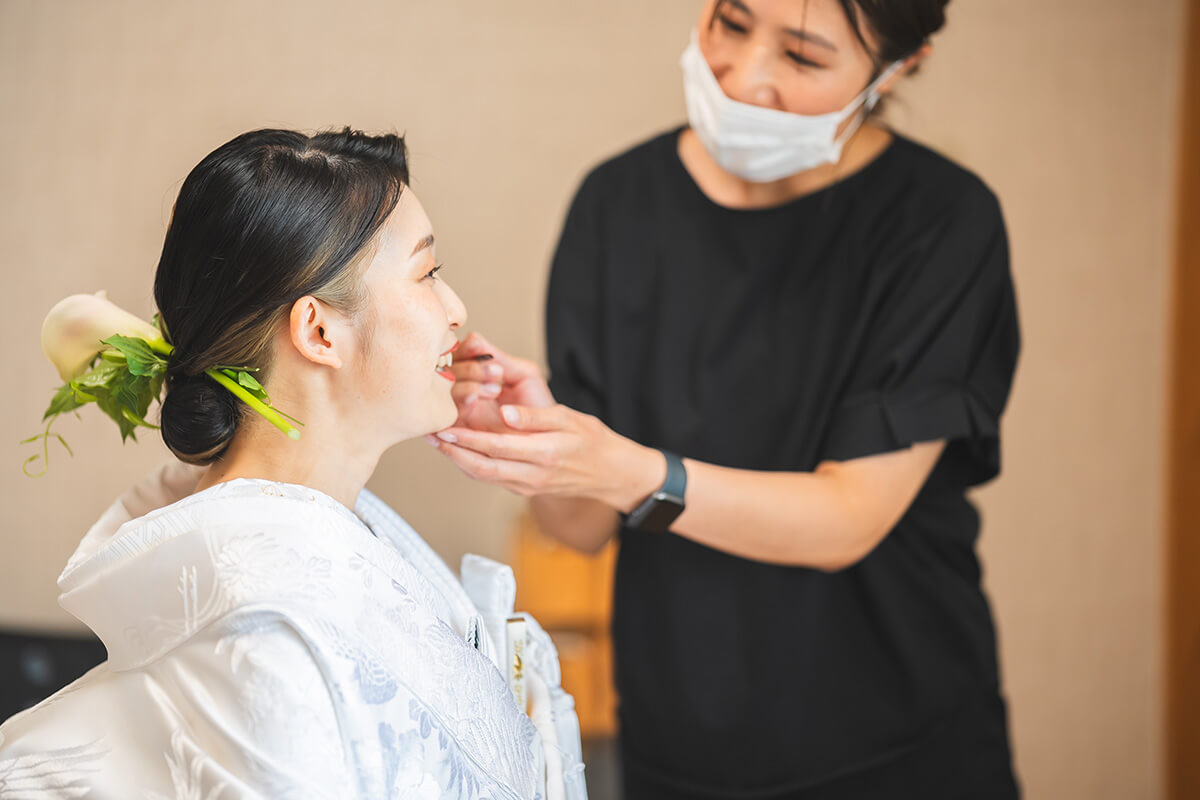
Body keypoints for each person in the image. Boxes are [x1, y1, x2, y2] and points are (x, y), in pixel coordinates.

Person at [426, 1, 1022, 797]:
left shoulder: (942, 222)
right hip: (681, 736)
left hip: (900, 738)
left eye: (804, 57)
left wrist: (629, 469)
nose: (744, 77)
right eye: (730, 25)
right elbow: (581, 527)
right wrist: (534, 446)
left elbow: (847, 518)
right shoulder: (618, 204)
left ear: (898, 64)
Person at [0, 128, 586, 799]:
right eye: (427, 275)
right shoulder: (259, 635)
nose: (456, 312)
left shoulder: (335, 524)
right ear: (318, 331)